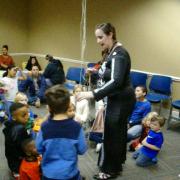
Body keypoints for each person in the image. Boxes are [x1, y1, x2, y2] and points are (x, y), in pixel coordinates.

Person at [77, 23, 135, 179]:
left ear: (110, 34)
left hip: (121, 100)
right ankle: (116, 165)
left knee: (111, 134)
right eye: (96, 37)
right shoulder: (111, 52)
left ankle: (109, 170)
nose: (98, 40)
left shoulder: (119, 54)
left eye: (100, 37)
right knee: (117, 133)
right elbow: (110, 73)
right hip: (117, 98)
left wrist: (92, 94)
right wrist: (95, 71)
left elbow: (116, 80)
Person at [36, 85, 87, 180]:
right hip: (70, 174)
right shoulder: (76, 127)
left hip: (48, 174)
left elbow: (38, 148)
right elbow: (82, 150)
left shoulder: (44, 127)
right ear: (68, 105)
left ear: (49, 108)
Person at [3, 103, 31, 178]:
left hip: (11, 160)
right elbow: (26, 147)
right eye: (23, 115)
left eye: (27, 113)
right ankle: (17, 173)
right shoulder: (20, 129)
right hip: (18, 162)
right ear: (14, 117)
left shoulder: (10, 125)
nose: (27, 117)